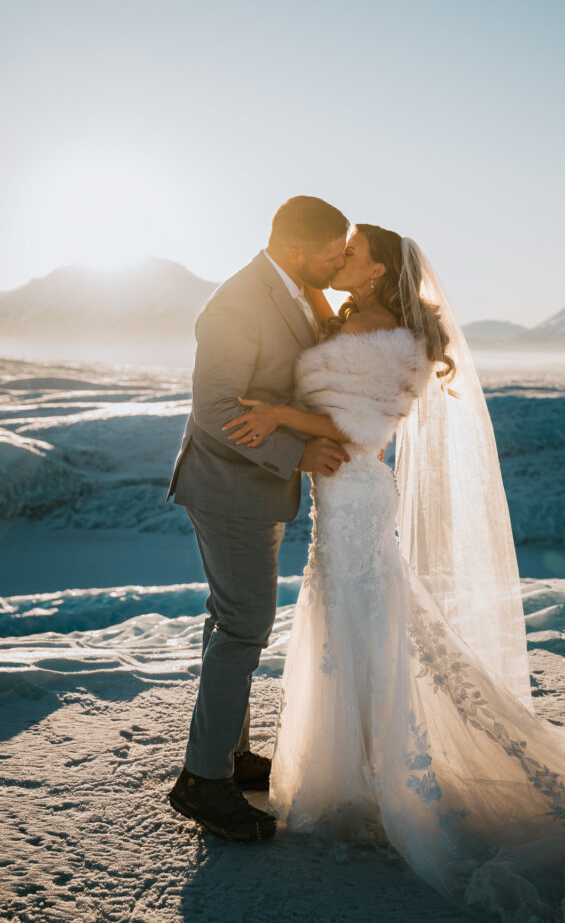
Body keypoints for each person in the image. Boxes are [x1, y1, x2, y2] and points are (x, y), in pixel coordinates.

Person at [226, 224, 565, 916]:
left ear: (379, 272)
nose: (337, 258)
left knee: (365, 620)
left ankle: (371, 776)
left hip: (355, 495)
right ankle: (354, 768)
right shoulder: (347, 318)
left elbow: (363, 432)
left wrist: (278, 415)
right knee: (346, 624)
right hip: (335, 497)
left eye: (350, 253)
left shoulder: (397, 343)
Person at [166, 195, 350, 843]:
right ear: (296, 250)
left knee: (228, 620)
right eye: (332, 254)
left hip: (254, 490)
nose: (340, 262)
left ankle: (229, 757)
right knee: (245, 626)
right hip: (228, 488)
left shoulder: (296, 288)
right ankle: (201, 783)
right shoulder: (236, 304)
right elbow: (216, 406)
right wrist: (296, 452)